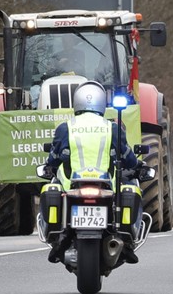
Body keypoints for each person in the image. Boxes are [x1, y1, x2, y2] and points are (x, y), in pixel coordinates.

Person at [40, 80, 147, 265]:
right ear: (101, 103)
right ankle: (127, 243)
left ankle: (58, 240)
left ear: (77, 102)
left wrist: (49, 166)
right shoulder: (112, 127)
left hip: (72, 185)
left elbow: (54, 158)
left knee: (52, 187)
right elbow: (128, 157)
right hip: (106, 184)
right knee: (130, 189)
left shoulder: (66, 127)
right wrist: (139, 166)